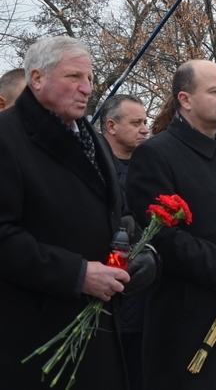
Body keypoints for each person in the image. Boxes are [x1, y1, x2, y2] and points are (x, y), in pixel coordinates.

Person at [0, 37, 154, 389]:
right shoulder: (7, 137)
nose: (87, 89)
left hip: (100, 332)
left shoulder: (90, 137)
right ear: (36, 78)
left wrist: (143, 253)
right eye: (74, 77)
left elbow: (112, 215)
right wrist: (78, 273)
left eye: (90, 78)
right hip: (37, 339)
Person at [127, 60, 216, 390]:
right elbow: (162, 237)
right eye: (215, 91)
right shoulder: (156, 154)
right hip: (188, 327)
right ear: (185, 99)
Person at [100, 93, 150, 390]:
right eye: (136, 122)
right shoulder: (92, 168)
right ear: (111, 126)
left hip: (146, 300)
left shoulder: (150, 167)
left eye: (145, 121)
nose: (145, 128)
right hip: (109, 297)